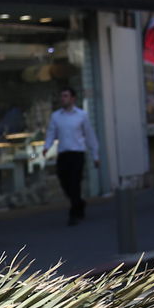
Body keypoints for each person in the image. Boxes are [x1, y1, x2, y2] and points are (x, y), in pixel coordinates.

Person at [42, 86, 100, 225]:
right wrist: (46, 147)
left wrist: (95, 155)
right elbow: (51, 133)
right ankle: (79, 203)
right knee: (64, 181)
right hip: (63, 153)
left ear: (73, 99)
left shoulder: (81, 115)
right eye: (62, 96)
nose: (63, 99)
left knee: (75, 183)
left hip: (77, 153)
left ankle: (74, 214)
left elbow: (90, 135)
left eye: (66, 96)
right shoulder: (56, 116)